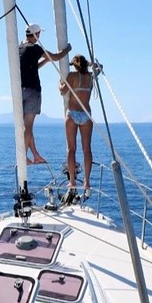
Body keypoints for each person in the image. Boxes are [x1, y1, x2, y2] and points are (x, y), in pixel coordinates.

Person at [19, 23, 70, 164]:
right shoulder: (35, 48)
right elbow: (56, 56)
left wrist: (45, 61)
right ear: (36, 35)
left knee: (26, 127)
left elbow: (33, 67)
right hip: (32, 90)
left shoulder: (19, 48)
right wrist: (68, 49)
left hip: (20, 91)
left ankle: (35, 155)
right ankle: (23, 156)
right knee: (28, 127)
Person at [59, 54, 95, 201]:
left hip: (73, 113)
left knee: (71, 149)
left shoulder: (72, 76)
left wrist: (59, 82)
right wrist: (92, 64)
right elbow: (99, 68)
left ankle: (72, 181)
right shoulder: (91, 77)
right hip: (86, 114)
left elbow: (62, 91)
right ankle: (86, 181)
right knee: (87, 149)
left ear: (74, 65)